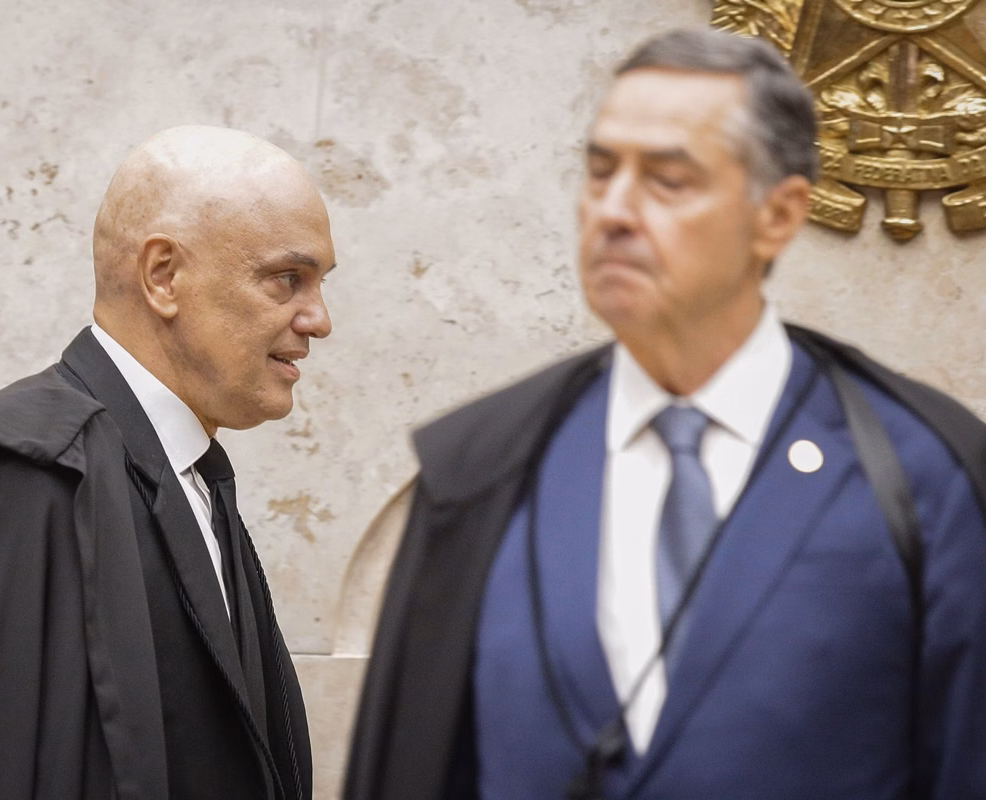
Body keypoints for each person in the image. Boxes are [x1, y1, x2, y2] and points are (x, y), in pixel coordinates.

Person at [344, 28, 986, 800]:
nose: (614, 211)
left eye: (668, 180)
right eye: (600, 172)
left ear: (778, 215)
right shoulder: (479, 471)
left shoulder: (923, 477)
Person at [0, 125, 336, 799]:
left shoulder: (192, 475)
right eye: (287, 279)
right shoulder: (30, 482)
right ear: (164, 276)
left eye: (319, 284)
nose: (319, 319)